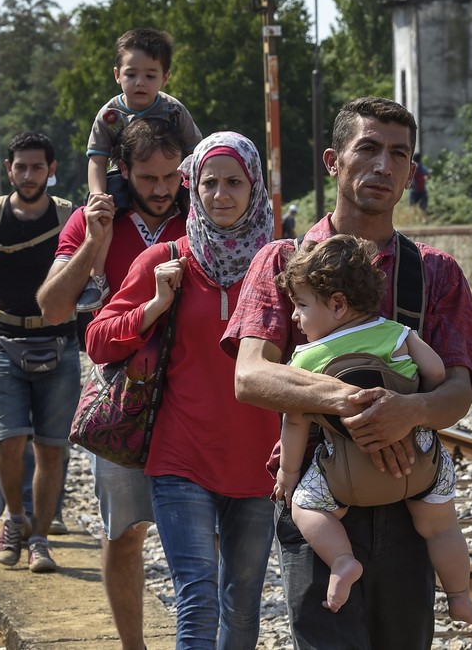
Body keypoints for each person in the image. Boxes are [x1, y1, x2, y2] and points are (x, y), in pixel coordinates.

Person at [223, 97, 472, 648]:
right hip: (320, 504)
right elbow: (250, 377)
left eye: (399, 155)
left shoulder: (435, 271)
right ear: (333, 161)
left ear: (411, 172)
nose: (383, 166)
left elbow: (459, 389)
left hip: (406, 505)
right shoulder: (280, 261)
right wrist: (359, 406)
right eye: (367, 149)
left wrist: (409, 412)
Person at [86, 131, 278, 647]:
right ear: (192, 187)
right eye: (209, 182)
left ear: (254, 186)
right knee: (197, 596)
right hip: (180, 457)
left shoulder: (281, 265)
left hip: (259, 462)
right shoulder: (165, 259)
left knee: (241, 606)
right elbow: (99, 340)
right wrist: (152, 306)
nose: (221, 194)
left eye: (234, 182)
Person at [36, 117, 187, 650]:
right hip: (121, 398)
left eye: (172, 175)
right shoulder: (90, 220)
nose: (162, 189)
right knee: (125, 533)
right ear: (123, 169)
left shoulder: (205, 214)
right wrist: (92, 244)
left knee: (204, 534)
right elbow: (53, 306)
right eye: (148, 177)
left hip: (194, 396)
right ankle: (133, 646)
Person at [273, 234, 472, 624]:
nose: (296, 318)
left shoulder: (305, 358)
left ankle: (342, 561)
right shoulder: (398, 333)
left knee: (305, 506)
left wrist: (289, 472)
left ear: (337, 304)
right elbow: (436, 373)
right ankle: (459, 595)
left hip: (348, 477)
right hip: (420, 464)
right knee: (441, 528)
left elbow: (295, 420)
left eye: (301, 306)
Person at [0, 132, 78, 575]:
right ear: (9, 170)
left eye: (37, 167)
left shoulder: (69, 217)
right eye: (20, 167)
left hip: (59, 345)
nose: (28, 175)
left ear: (51, 169)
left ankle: (40, 538)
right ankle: (14, 518)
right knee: (8, 442)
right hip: (3, 344)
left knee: (50, 449)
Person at [80, 27, 203, 311]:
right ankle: (96, 279)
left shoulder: (174, 111)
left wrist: (194, 190)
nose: (140, 83)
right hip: (123, 181)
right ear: (116, 74)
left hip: (175, 179)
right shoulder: (110, 115)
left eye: (150, 76)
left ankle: (204, 269)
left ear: (165, 77)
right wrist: (98, 196)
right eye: (131, 74)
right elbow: (97, 159)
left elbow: (197, 151)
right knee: (103, 219)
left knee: (196, 218)